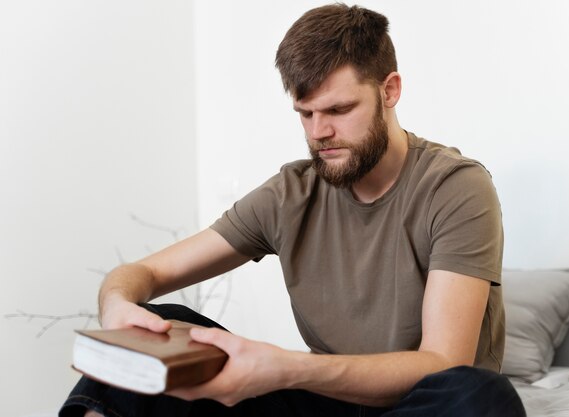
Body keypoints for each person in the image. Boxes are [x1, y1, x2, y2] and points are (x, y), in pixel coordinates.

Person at [60, 4, 525, 417]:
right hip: (322, 402)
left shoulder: (455, 187)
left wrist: (285, 367)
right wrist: (117, 305)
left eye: (339, 109)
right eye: (305, 113)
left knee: (480, 394)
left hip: (416, 405)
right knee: (165, 327)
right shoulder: (291, 193)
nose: (319, 131)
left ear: (390, 90)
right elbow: (141, 273)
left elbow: (442, 362)